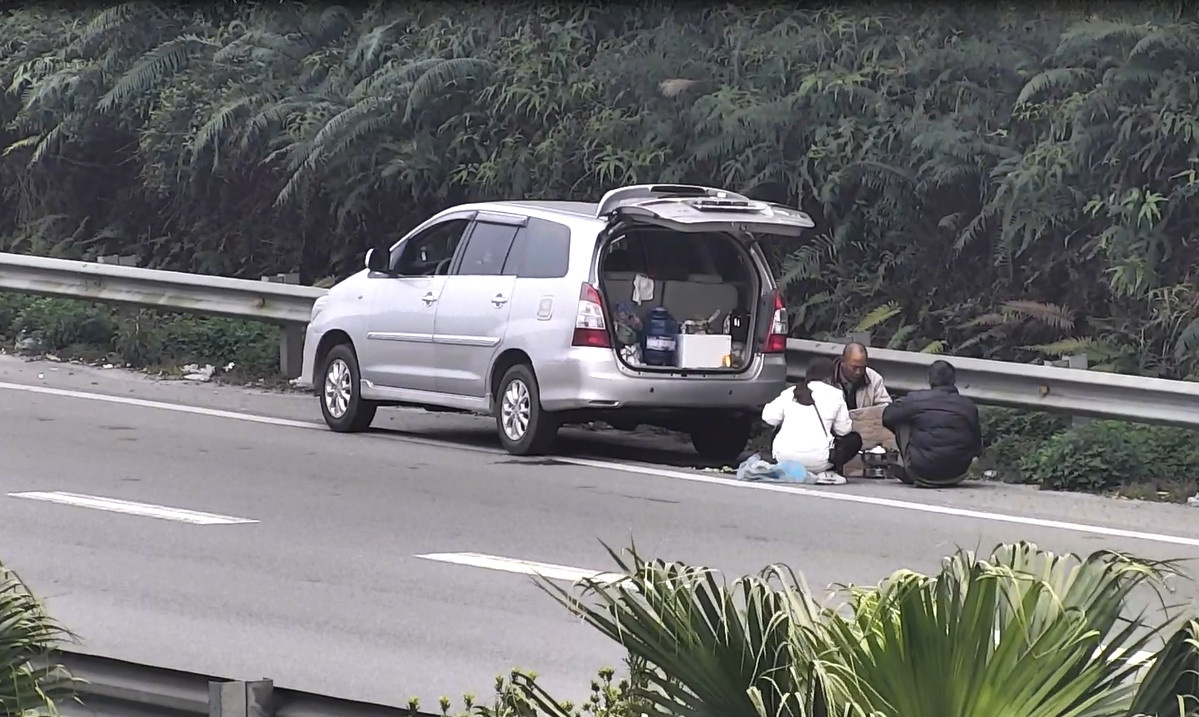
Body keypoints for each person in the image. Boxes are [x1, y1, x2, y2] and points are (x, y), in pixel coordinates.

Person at [761, 357, 863, 485]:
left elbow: (769, 418)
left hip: (783, 458)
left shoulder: (791, 392)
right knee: (854, 439)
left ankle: (788, 466)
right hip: (818, 462)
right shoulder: (835, 394)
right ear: (830, 377)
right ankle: (828, 472)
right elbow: (843, 430)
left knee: (778, 426)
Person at [881, 359, 982, 488]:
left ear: (930, 380)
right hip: (958, 473)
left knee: (902, 419)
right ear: (954, 380)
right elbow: (977, 446)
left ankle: (909, 466)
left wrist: (901, 404)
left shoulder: (916, 399)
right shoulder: (968, 406)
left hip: (922, 472)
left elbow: (887, 417)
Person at [831, 342, 892, 410]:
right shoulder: (827, 378)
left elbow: (885, 407)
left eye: (862, 367)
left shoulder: (874, 379)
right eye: (854, 367)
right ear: (843, 361)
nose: (858, 372)